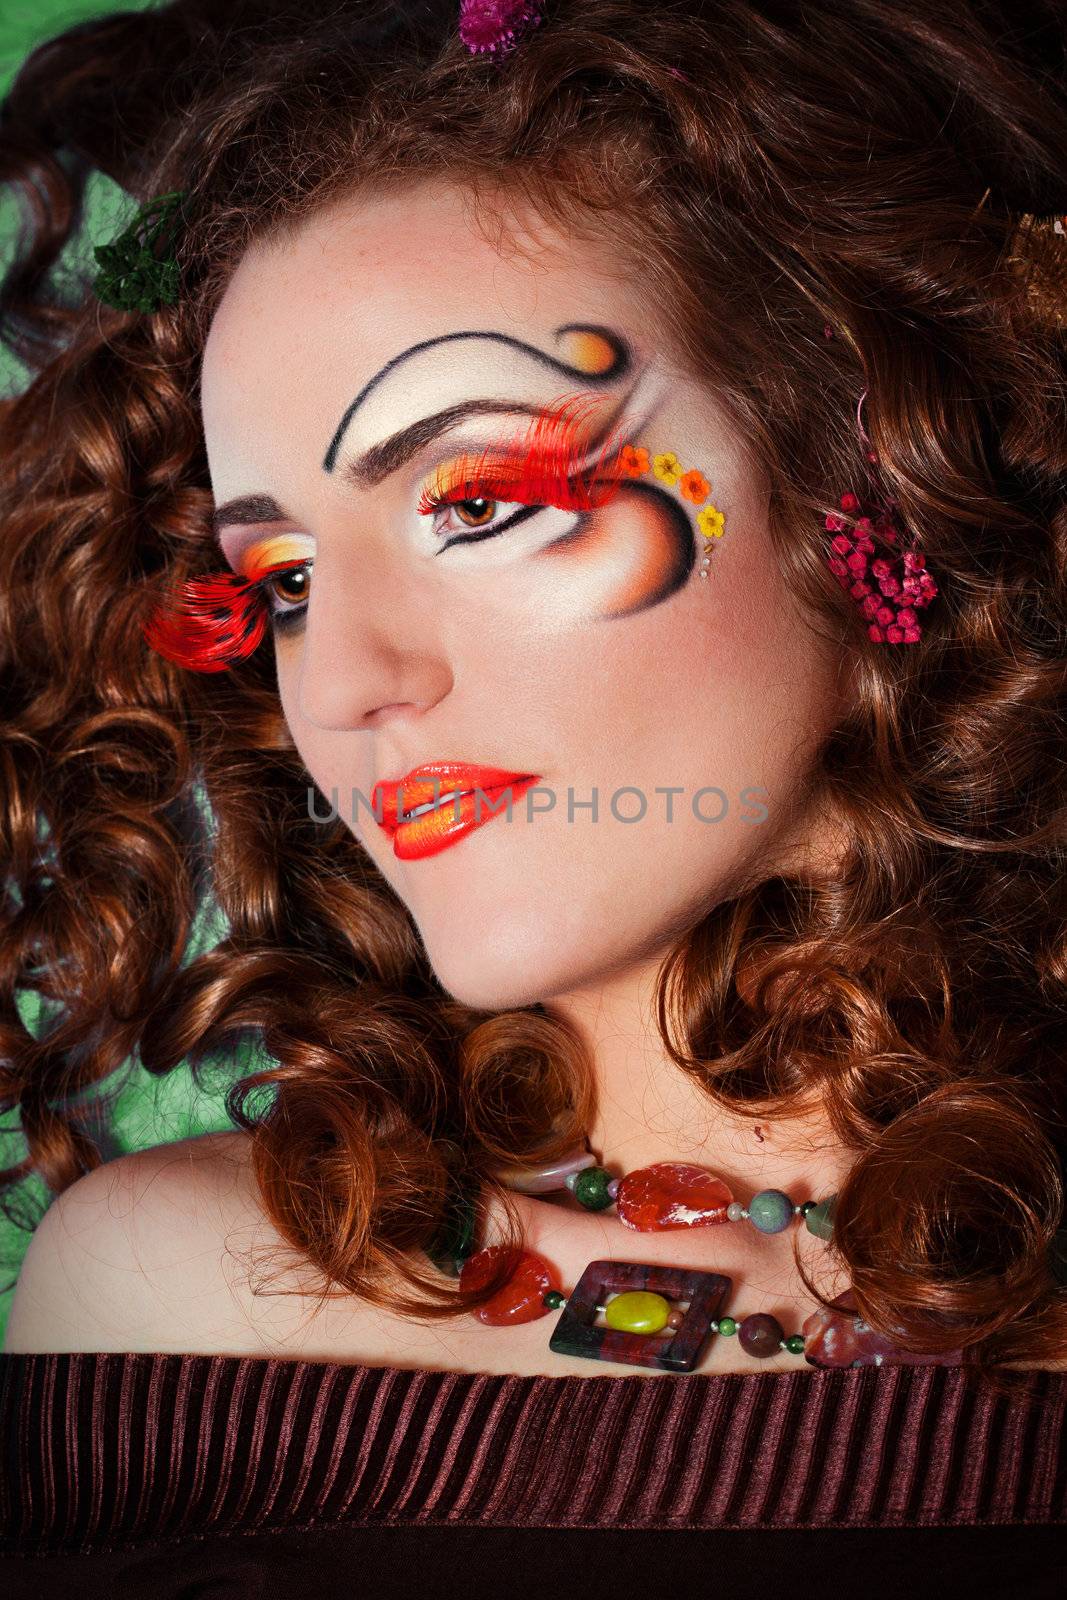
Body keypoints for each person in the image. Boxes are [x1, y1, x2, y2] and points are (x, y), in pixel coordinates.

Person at [0, 0, 1065, 1591]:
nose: (349, 677)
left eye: (482, 501)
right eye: (281, 578)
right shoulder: (182, 1296)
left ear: (872, 482)